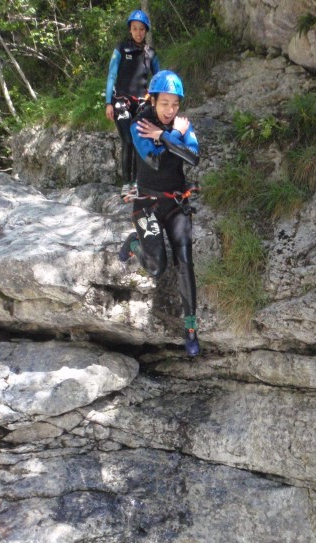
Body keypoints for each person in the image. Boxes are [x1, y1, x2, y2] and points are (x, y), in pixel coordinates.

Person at [117, 70, 202, 357]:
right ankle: (134, 243)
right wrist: (174, 136)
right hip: (147, 205)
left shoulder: (179, 125)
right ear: (153, 100)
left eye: (175, 104)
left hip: (176, 204)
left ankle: (190, 327)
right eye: (165, 103)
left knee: (185, 260)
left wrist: (167, 135)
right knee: (156, 268)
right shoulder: (139, 124)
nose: (170, 110)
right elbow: (153, 161)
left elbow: (193, 157)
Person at [105, 10, 160, 195]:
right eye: (135, 28)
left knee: (139, 140)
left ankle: (137, 183)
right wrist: (108, 102)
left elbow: (158, 79)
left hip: (142, 103)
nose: (138, 32)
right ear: (130, 30)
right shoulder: (121, 49)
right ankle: (126, 183)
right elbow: (112, 75)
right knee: (127, 140)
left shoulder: (150, 54)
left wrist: (157, 102)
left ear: (146, 31)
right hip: (121, 101)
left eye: (141, 29)